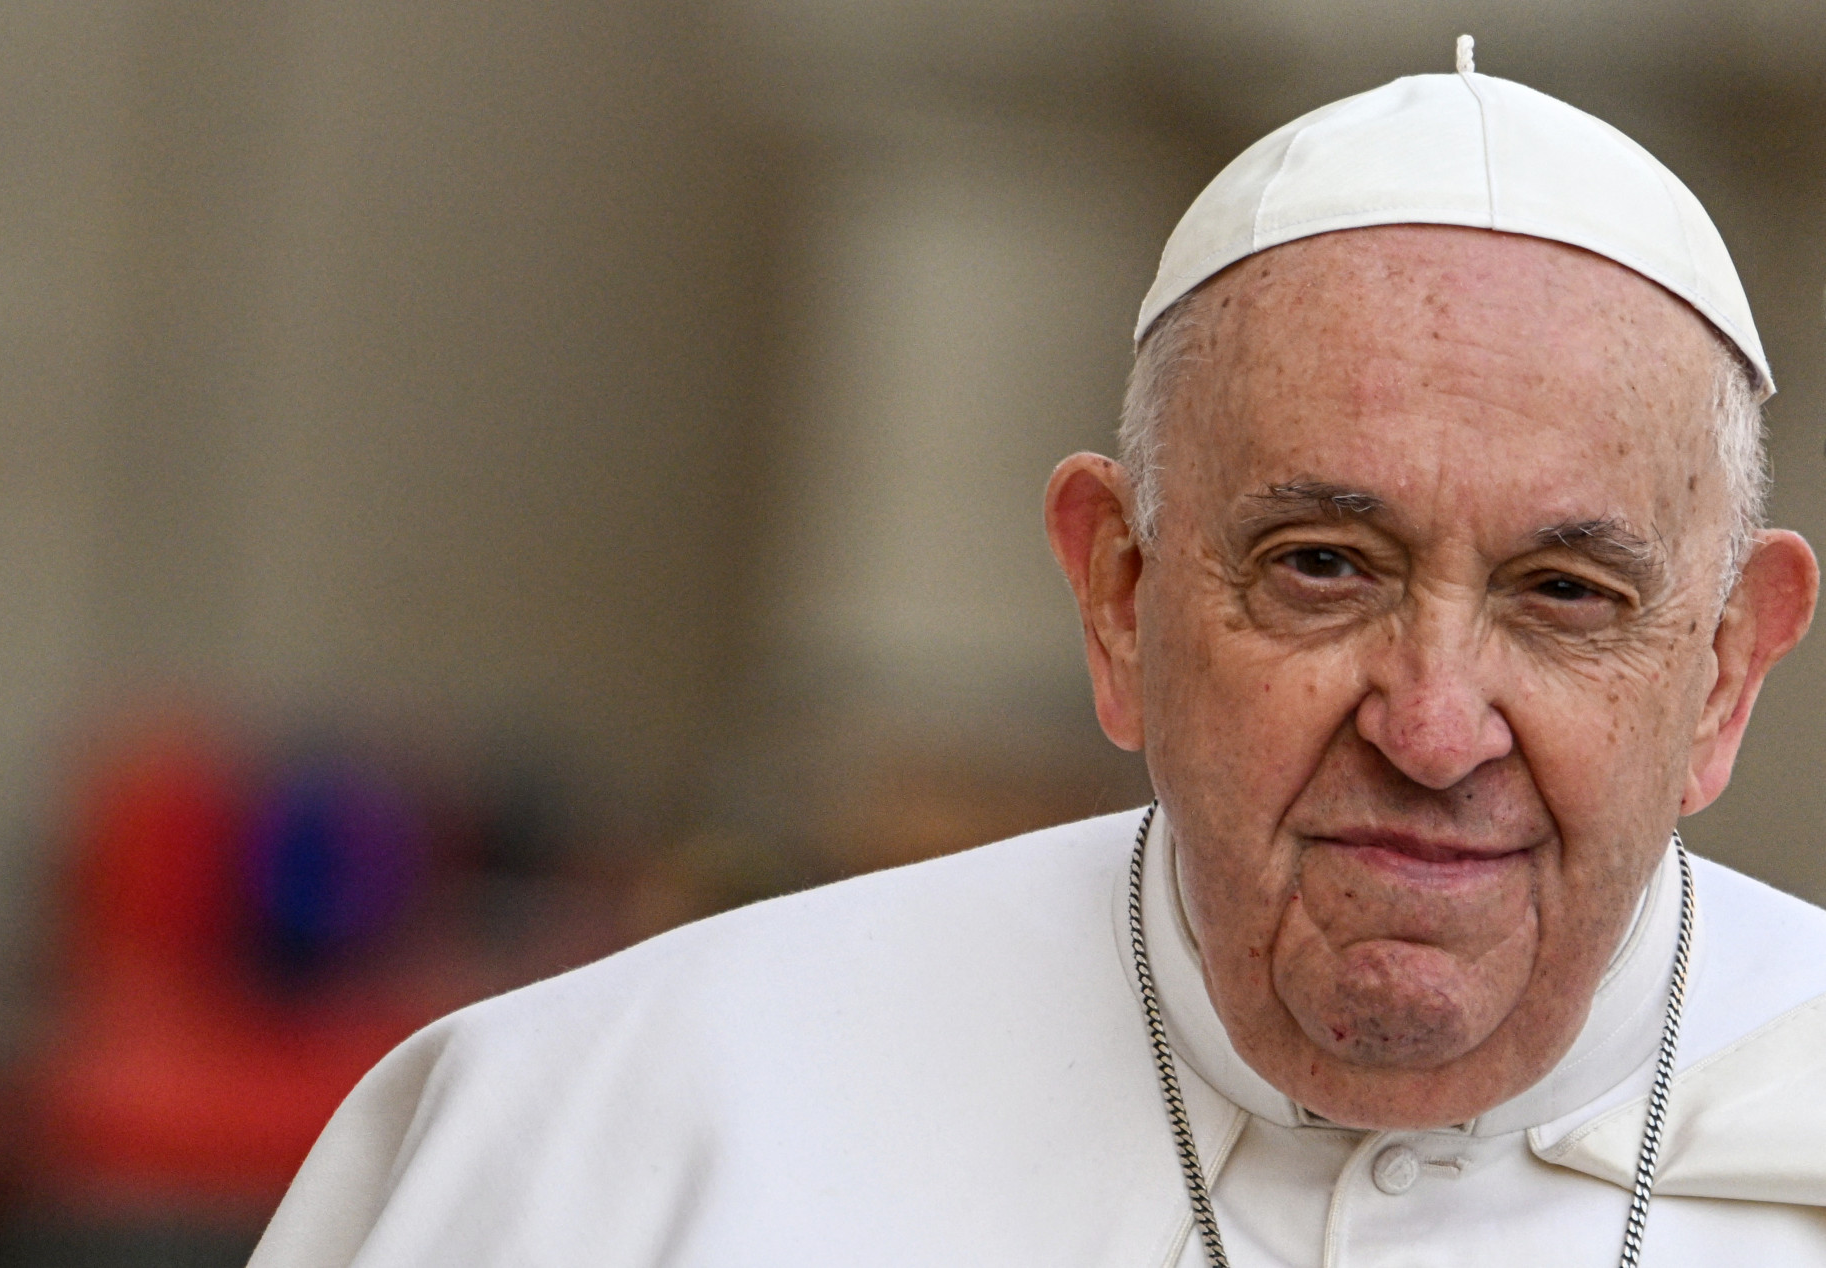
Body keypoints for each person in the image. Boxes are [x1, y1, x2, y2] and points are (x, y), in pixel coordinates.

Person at [247, 48, 1826, 1268]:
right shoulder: (599, 1143)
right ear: (1119, 593)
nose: (1430, 725)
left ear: (1729, 671)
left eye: (1563, 595)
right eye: (1324, 569)